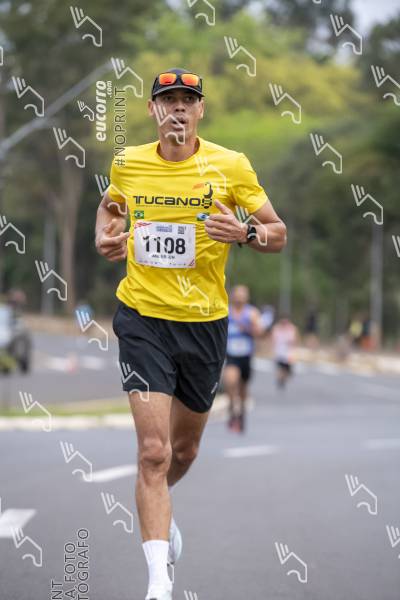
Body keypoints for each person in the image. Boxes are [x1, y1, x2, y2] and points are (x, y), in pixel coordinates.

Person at [95, 68, 287, 600]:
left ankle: (161, 506)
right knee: (153, 452)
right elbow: (111, 205)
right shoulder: (128, 162)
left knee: (183, 452)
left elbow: (277, 233)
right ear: (152, 110)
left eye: (187, 100)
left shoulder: (230, 165)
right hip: (142, 318)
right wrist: (104, 234)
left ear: (200, 110)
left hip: (204, 324)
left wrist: (245, 231)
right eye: (167, 100)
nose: (177, 108)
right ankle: (159, 582)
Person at [223, 285, 264, 433]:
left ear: (247, 297)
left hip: (246, 356)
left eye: (243, 295)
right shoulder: (226, 311)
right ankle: (232, 406)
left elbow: (260, 332)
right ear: (232, 296)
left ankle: (241, 413)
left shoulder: (251, 313)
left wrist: (247, 327)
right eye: (237, 294)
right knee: (230, 381)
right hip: (231, 354)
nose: (239, 297)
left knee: (243, 388)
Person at [271, 315, 298, 389]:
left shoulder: (291, 329)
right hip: (279, 352)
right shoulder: (276, 329)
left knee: (287, 370)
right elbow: (273, 340)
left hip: (288, 353)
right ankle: (280, 379)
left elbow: (294, 340)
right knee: (281, 368)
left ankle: (282, 378)